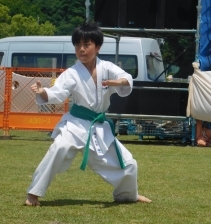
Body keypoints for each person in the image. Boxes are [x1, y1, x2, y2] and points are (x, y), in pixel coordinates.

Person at [25, 22, 151, 206]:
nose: (81, 49)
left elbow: (126, 78)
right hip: (75, 124)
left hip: (98, 126)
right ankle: (33, 194)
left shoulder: (107, 67)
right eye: (77, 45)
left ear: (97, 46)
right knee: (58, 148)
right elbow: (56, 93)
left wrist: (118, 82)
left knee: (129, 163)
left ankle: (127, 195)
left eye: (86, 45)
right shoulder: (71, 73)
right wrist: (41, 91)